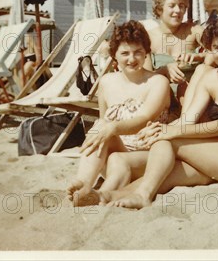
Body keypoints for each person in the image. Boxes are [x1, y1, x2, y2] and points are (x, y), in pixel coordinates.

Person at [91, 16, 218, 209]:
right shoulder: (210, 78)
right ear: (209, 48)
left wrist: (171, 133)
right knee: (169, 172)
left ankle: (143, 196)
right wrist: (161, 128)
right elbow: (187, 119)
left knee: (168, 142)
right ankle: (108, 196)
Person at [66, 20, 171, 207]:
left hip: (147, 156)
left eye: (138, 52)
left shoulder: (158, 82)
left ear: (146, 52)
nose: (132, 59)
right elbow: (103, 120)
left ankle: (99, 194)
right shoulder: (106, 82)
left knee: (115, 154)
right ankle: (84, 182)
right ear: (114, 55)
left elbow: (143, 119)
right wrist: (107, 128)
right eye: (125, 53)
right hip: (116, 153)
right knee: (100, 127)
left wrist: (112, 127)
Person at [145, 0, 206, 85]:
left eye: (182, 6)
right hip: (161, 96)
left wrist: (199, 56)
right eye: (172, 5)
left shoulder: (194, 31)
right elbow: (144, 78)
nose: (178, 10)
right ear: (159, 9)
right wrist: (164, 70)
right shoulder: (147, 38)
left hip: (193, 94)